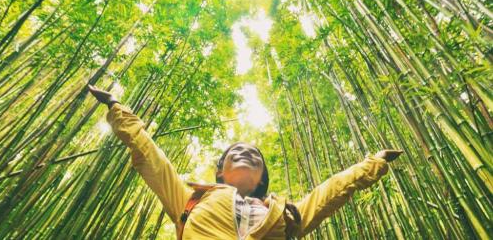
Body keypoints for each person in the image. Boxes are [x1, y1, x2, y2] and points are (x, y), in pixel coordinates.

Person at [88, 84, 403, 240]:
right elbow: (150, 157)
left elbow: (329, 193)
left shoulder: (283, 217)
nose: (244, 153)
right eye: (233, 153)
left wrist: (372, 163)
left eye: (254, 155)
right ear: (220, 173)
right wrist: (116, 106)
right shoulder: (189, 202)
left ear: (262, 179)